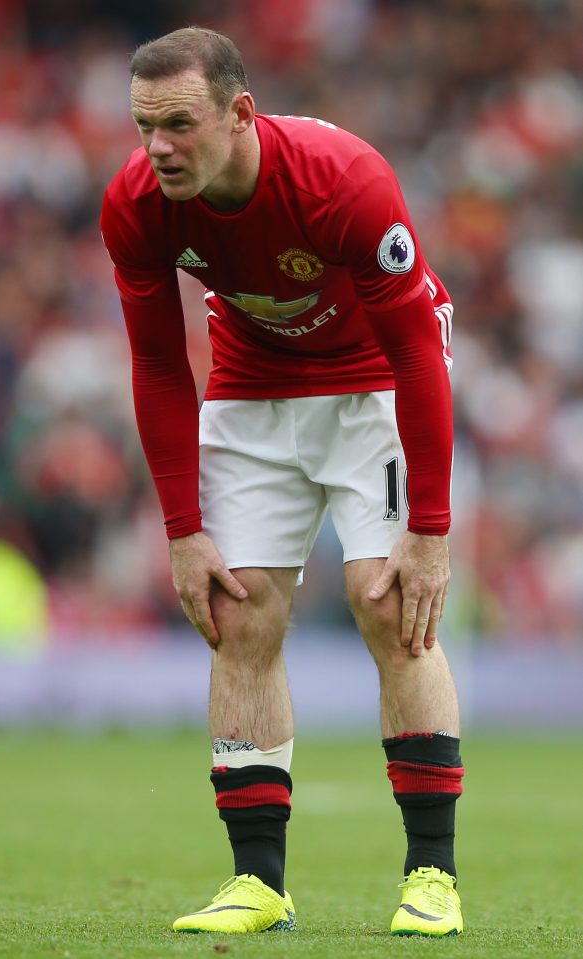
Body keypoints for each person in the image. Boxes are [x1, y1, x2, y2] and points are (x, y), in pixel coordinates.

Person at [100, 26, 465, 937]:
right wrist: (183, 529)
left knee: (389, 603)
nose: (157, 147)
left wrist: (429, 526)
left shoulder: (343, 180)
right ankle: (258, 883)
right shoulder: (137, 203)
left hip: (373, 379)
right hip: (251, 390)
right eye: (144, 125)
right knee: (241, 608)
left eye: (178, 123)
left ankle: (432, 876)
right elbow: (154, 363)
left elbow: (419, 352)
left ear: (239, 113)